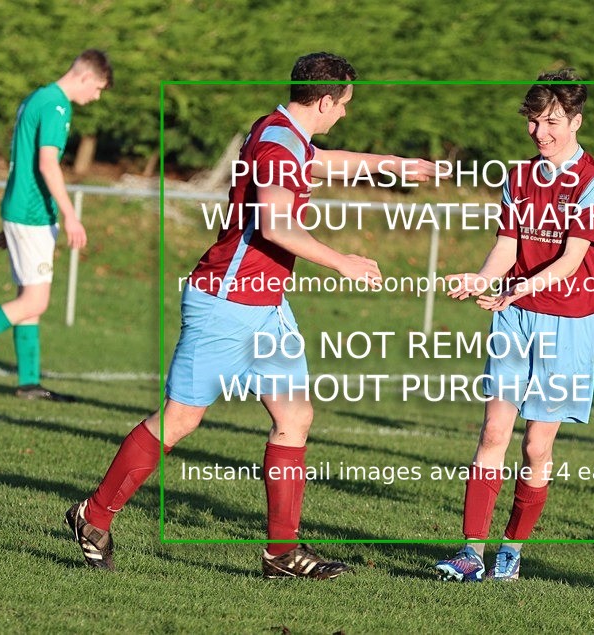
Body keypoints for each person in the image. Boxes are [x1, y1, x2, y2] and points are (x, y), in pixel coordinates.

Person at [63, 52, 437, 577]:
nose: (344, 114)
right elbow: (275, 225)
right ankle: (93, 515)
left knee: (294, 417)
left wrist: (391, 165)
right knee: (181, 419)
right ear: (326, 100)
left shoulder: (280, 130)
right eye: (344, 104)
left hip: (265, 303)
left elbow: (321, 161)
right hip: (227, 301)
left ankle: (281, 553)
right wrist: (343, 262)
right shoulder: (279, 143)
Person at [434, 69, 594, 582]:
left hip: (566, 320)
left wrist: (521, 287)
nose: (540, 132)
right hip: (514, 314)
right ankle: (470, 551)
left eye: (552, 121)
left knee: (537, 446)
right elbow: (507, 247)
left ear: (576, 121)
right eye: (534, 121)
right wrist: (482, 278)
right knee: (494, 430)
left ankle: (511, 550)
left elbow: (572, 259)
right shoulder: (516, 177)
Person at [0, 49, 113, 401]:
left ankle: (28, 382)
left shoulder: (37, 97)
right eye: (99, 88)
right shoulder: (57, 106)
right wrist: (71, 215)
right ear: (86, 76)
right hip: (31, 213)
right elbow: (47, 165)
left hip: (21, 210)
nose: (97, 96)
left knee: (28, 296)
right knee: (35, 301)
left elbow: (25, 161)